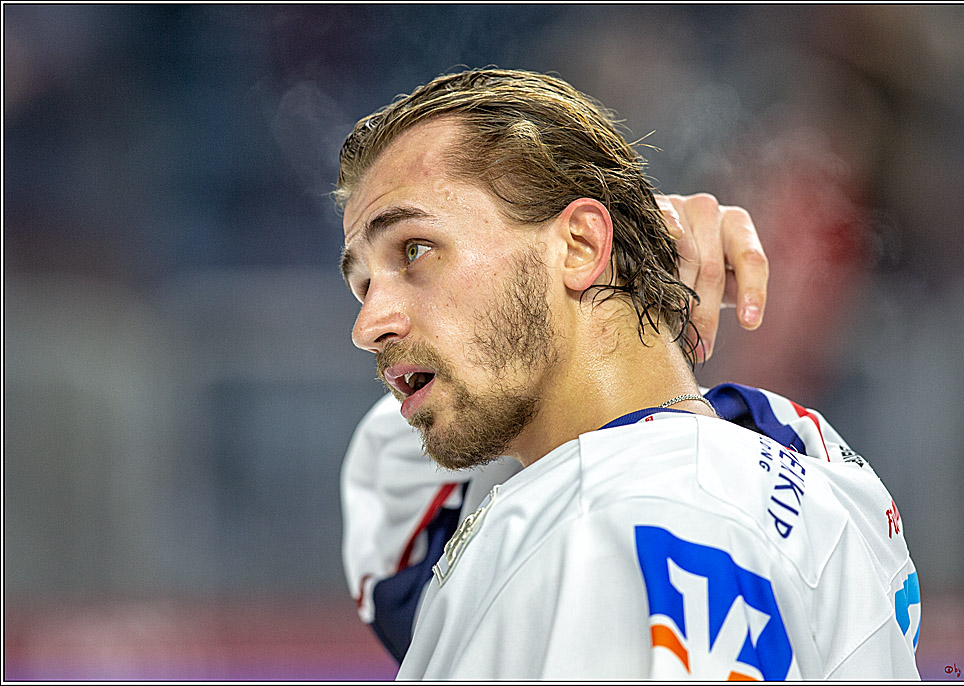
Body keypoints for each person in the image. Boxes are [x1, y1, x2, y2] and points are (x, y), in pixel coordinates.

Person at [335, 68, 920, 679]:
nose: (367, 322)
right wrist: (634, 255)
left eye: (415, 249)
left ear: (581, 245)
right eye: (363, 283)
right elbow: (397, 518)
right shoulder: (783, 464)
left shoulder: (617, 529)